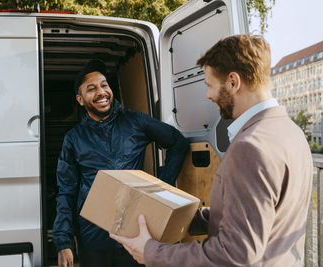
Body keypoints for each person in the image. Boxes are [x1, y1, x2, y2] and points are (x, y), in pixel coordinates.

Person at [110, 34, 313, 266]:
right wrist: (180, 216)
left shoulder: (250, 147)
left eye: (209, 85)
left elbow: (235, 253)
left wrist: (151, 252)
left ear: (233, 82)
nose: (208, 95)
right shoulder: (292, 132)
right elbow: (259, 215)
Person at [52, 59, 189, 267]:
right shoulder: (74, 138)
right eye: (91, 88)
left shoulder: (135, 121)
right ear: (80, 100)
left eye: (104, 85)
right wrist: (63, 240)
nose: (101, 92)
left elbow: (178, 143)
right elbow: (66, 191)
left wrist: (162, 189)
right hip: (92, 236)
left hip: (134, 233)